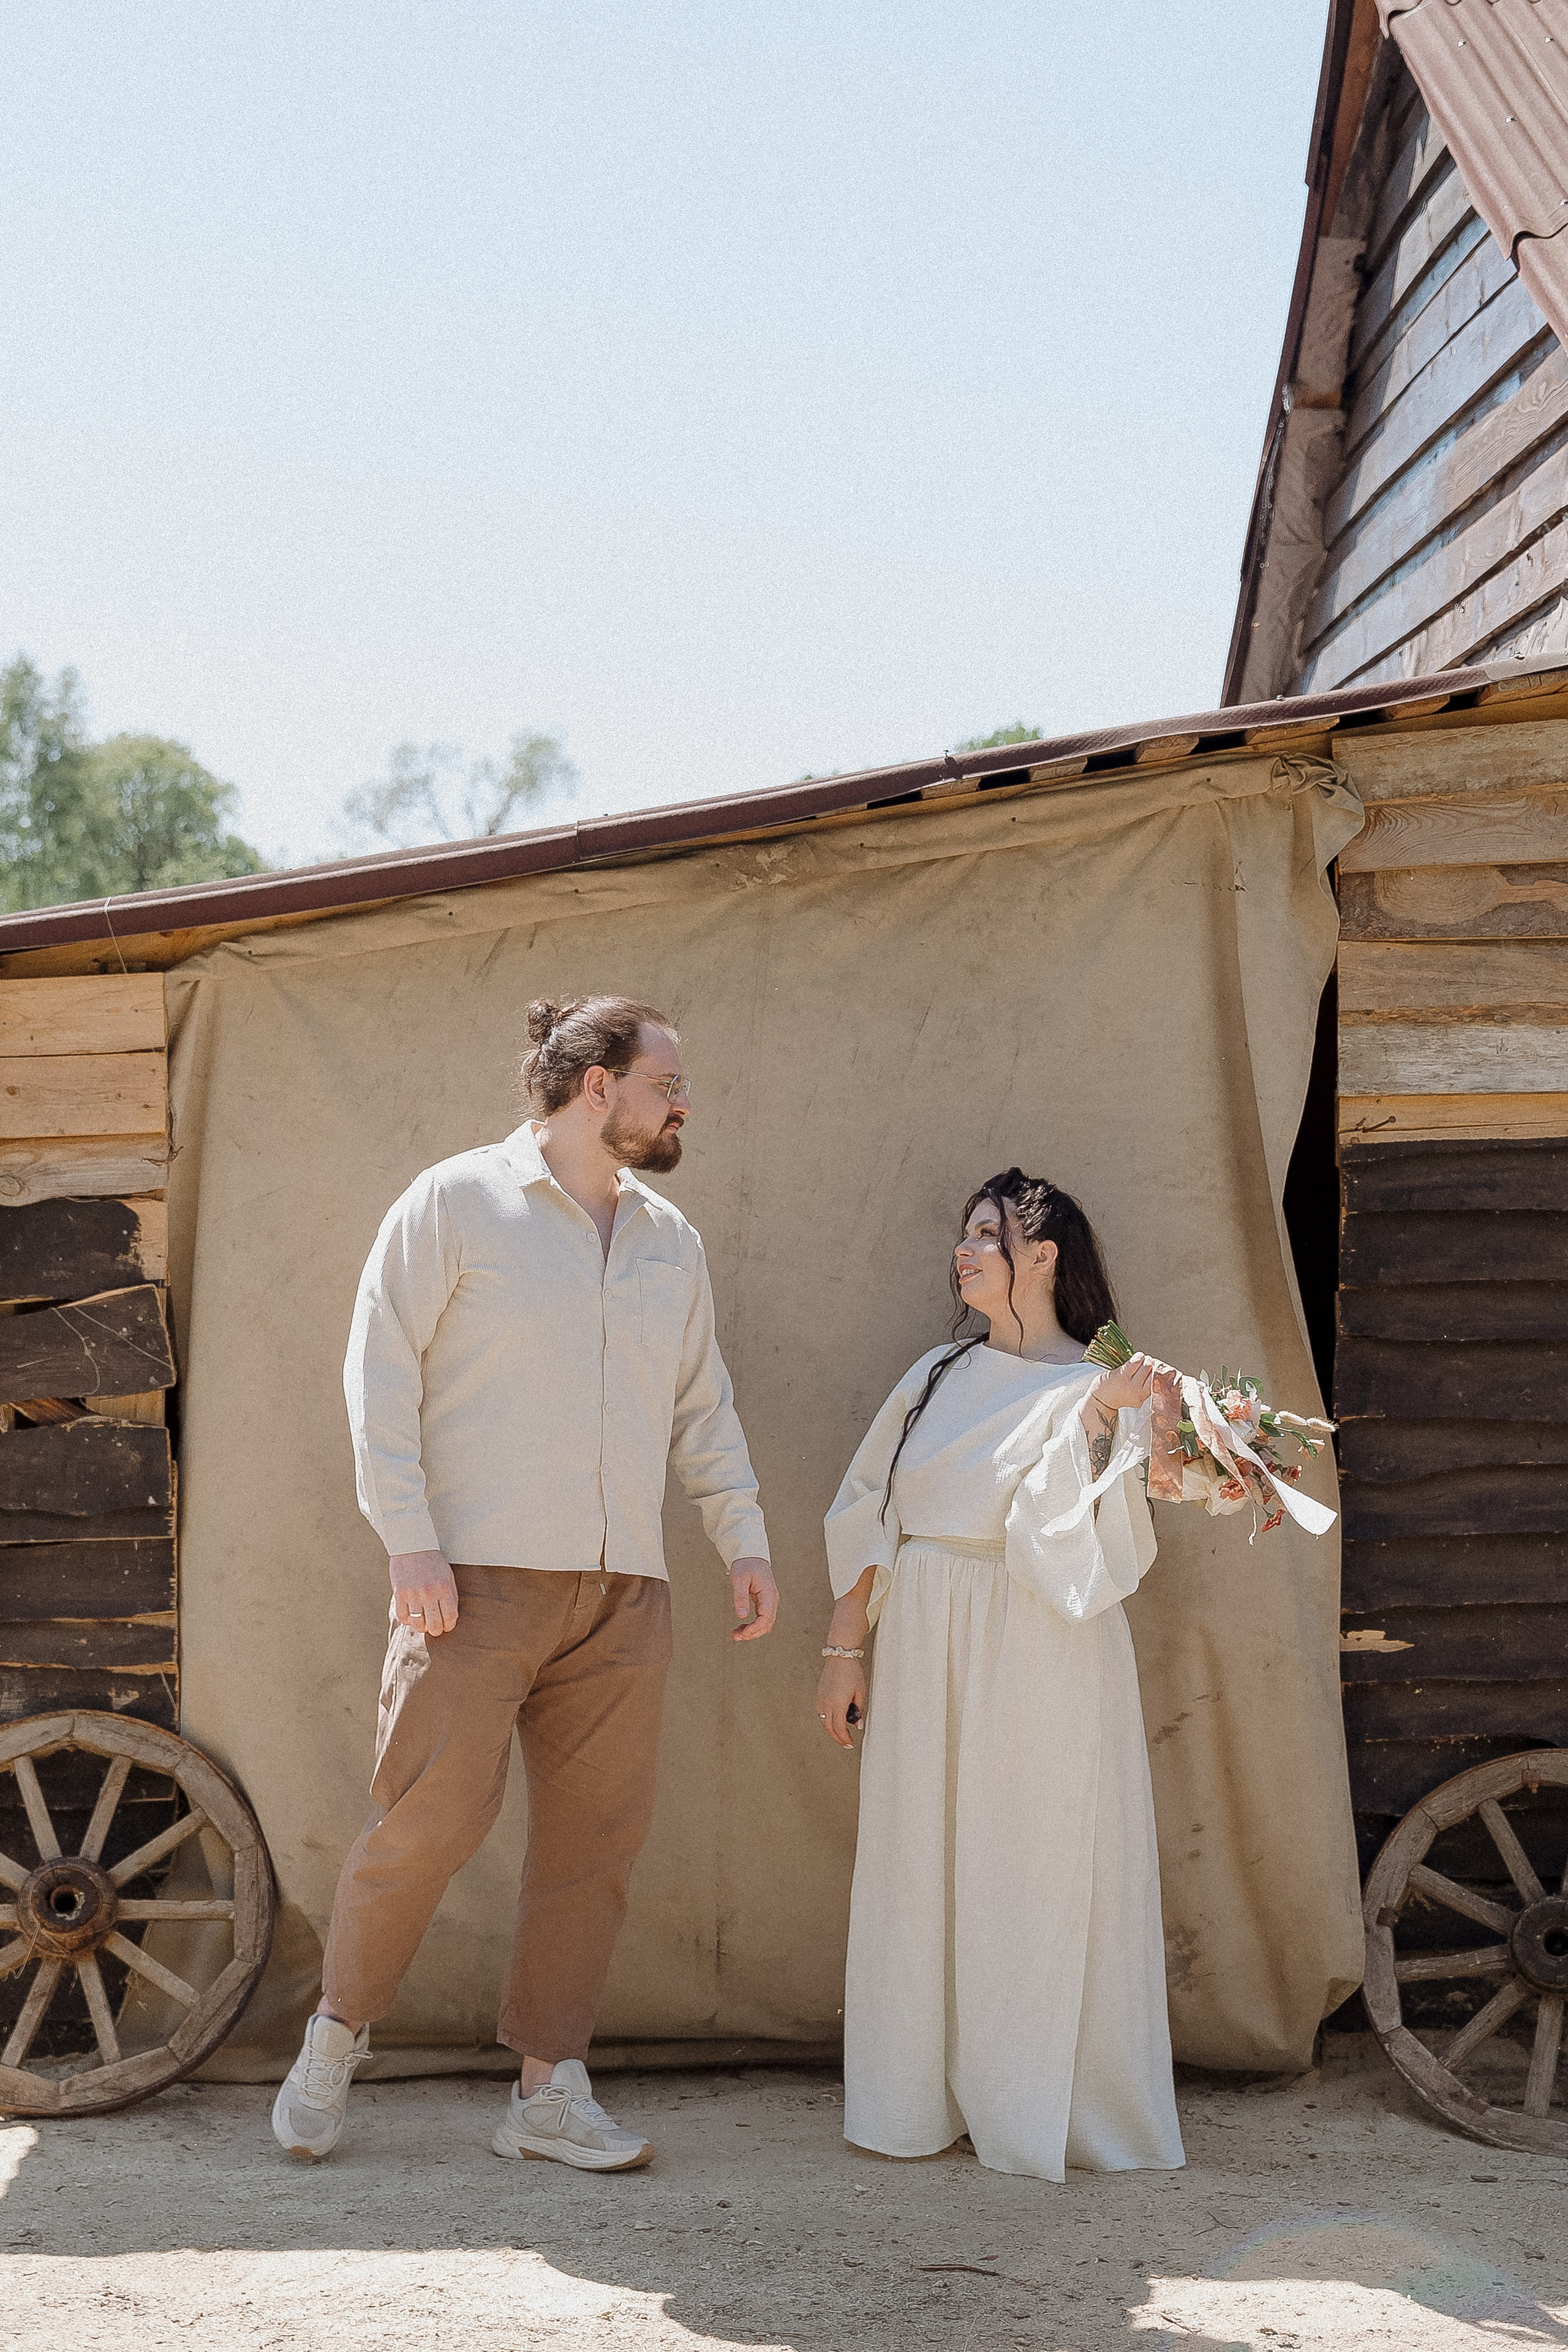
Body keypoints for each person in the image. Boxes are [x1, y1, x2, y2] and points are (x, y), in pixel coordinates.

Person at [271, 995, 778, 2171]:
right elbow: (378, 1370)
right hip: (471, 1581)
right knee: (426, 1824)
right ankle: (335, 2040)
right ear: (596, 1086)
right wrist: (407, 1539)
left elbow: (703, 1406)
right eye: (665, 1083)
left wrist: (741, 1539)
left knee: (595, 1843)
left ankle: (547, 2092)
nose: (681, 1105)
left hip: (625, 1594)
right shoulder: (454, 1202)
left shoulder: (671, 1240)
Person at [816, 1167, 1185, 2183]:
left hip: (1042, 1649)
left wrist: (1109, 1416)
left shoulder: (1102, 1380)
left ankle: (1039, 2105)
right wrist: (845, 1649)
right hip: (929, 1640)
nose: (966, 1251)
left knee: (1032, 1868)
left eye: (989, 1234)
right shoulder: (937, 1373)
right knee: (923, 1861)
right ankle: (919, 2098)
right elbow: (870, 1511)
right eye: (965, 1235)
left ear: (1045, 1254)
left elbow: (1101, 1536)